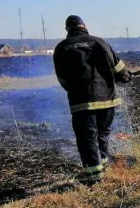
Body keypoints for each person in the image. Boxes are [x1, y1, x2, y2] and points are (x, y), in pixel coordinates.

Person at [53, 15, 131, 181]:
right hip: (107, 101)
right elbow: (117, 66)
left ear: (67, 29)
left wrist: (74, 91)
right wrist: (125, 77)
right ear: (84, 25)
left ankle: (95, 178)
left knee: (87, 139)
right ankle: (103, 166)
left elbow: (62, 78)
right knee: (102, 134)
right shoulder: (99, 42)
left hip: (82, 103)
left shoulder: (62, 48)